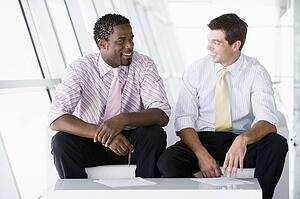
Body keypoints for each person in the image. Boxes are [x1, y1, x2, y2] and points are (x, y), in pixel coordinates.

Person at [157, 13, 288, 199]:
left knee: (277, 144)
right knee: (167, 162)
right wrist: (201, 154)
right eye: (209, 40)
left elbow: (267, 120)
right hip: (203, 140)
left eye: (216, 42)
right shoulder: (196, 70)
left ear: (236, 45)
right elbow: (184, 120)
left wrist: (243, 140)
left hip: (239, 140)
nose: (208, 47)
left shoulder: (256, 71)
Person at [49, 13, 170, 179]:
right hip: (91, 139)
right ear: (102, 44)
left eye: (131, 39)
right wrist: (105, 134)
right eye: (121, 41)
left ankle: (145, 192)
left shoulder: (144, 64)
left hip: (130, 145)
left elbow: (161, 114)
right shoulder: (80, 69)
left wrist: (122, 120)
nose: (130, 46)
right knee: (60, 142)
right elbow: (56, 117)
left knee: (154, 134)